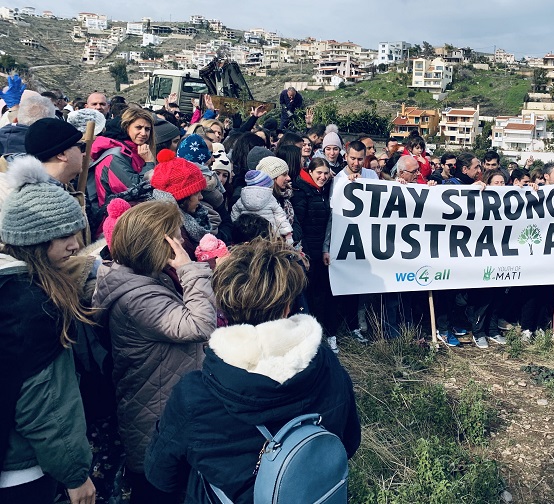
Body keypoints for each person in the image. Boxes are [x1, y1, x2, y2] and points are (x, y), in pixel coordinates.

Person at [144, 238, 360, 503]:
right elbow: (348, 442)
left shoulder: (194, 395)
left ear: (222, 307)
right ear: (287, 307)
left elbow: (161, 476)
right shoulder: (326, 364)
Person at [92, 201, 217, 503]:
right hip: (153, 416)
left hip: (159, 405)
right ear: (159, 245)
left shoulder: (142, 280)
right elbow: (200, 324)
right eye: (175, 237)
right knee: (158, 491)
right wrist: (189, 269)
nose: (182, 242)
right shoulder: (139, 297)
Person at [0, 160, 96, 504]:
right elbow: (47, 404)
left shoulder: (8, 290)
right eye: (66, 236)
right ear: (37, 240)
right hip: (22, 470)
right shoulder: (37, 308)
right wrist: (76, 474)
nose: (75, 245)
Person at [292, 157, 338, 352]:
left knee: (322, 295)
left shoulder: (323, 189)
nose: (323, 176)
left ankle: (324, 334)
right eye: (319, 172)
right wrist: (306, 254)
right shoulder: (301, 192)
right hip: (308, 253)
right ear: (310, 172)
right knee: (310, 296)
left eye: (326, 173)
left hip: (320, 251)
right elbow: (299, 224)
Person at [86, 106, 156, 228]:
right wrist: (149, 163)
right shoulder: (115, 156)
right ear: (126, 127)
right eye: (138, 128)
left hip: (129, 216)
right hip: (113, 222)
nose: (144, 133)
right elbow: (134, 189)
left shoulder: (134, 151)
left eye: (147, 129)